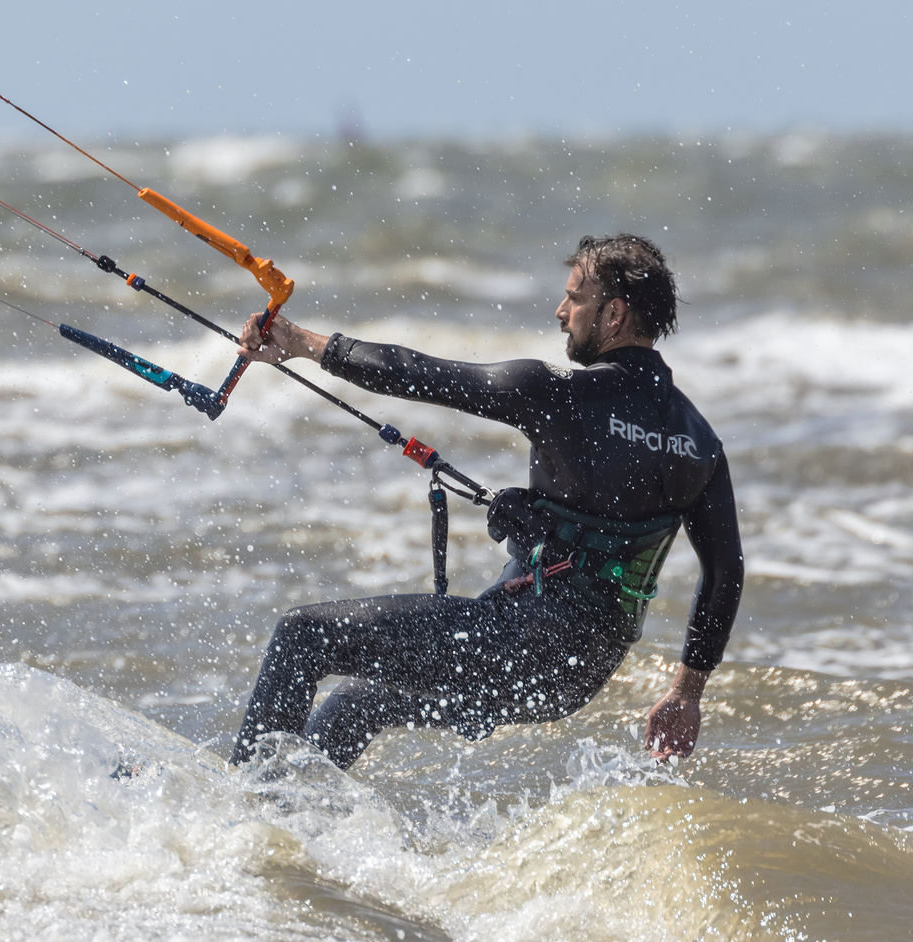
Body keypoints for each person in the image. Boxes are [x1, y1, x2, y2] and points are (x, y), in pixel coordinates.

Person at [228, 234, 742, 770]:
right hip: (574, 676)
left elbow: (419, 373)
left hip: (514, 644)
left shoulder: (560, 393)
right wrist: (687, 693)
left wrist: (299, 341)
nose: (561, 311)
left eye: (575, 298)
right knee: (359, 700)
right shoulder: (700, 442)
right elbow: (726, 570)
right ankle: (294, 815)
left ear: (613, 314)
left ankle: (244, 807)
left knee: (302, 635)